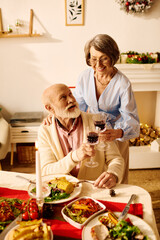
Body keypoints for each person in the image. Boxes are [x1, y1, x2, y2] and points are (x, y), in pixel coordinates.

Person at [73, 34, 140, 184]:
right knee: (94, 176)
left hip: (116, 136)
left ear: (112, 56)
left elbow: (131, 119)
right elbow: (77, 107)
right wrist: (57, 115)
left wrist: (117, 132)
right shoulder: (84, 77)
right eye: (93, 58)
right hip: (94, 134)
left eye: (103, 58)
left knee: (116, 177)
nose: (98, 64)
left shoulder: (123, 83)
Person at [38, 83, 124, 189]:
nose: (71, 100)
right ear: (50, 109)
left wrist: (113, 174)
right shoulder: (45, 130)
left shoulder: (96, 121)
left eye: (70, 94)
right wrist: (75, 157)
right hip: (63, 192)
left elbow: (115, 159)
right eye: (63, 97)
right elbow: (46, 170)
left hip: (95, 189)